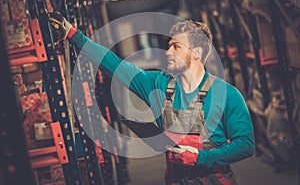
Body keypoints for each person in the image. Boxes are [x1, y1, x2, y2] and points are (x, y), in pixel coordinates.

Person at [49, 12, 255, 184]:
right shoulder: (158, 85)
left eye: (176, 46)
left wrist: (201, 157)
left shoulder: (227, 94)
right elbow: (114, 64)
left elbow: (246, 144)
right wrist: (74, 35)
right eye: (168, 46)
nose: (167, 52)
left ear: (197, 53)